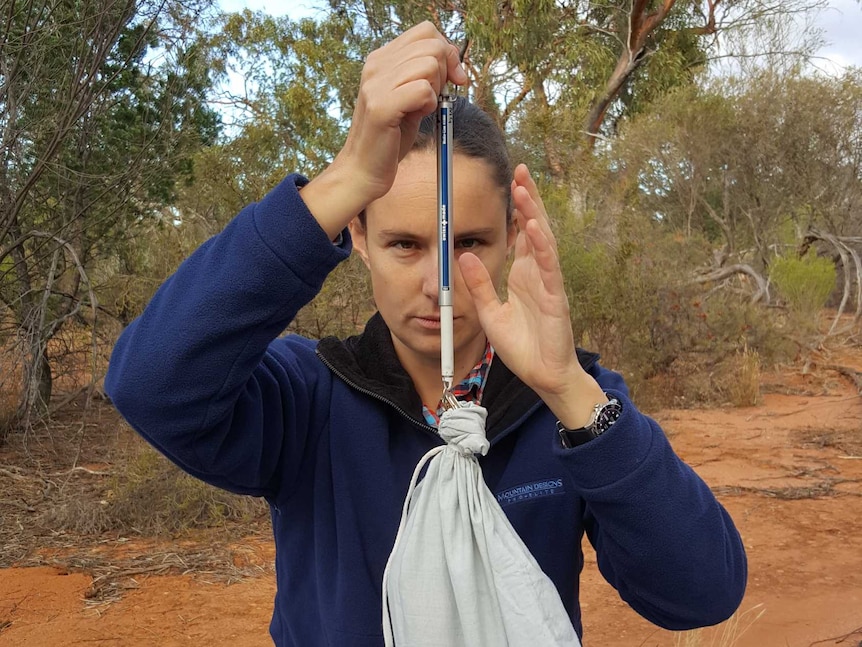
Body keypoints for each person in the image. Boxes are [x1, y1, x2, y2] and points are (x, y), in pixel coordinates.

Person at [105, 21, 747, 647]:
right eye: (404, 244)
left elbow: (700, 592)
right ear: (356, 236)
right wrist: (349, 176)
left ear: (512, 239)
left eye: (467, 242)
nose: (439, 285)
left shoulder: (569, 407)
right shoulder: (307, 399)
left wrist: (567, 389)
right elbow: (152, 384)